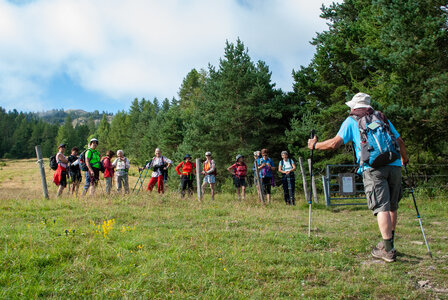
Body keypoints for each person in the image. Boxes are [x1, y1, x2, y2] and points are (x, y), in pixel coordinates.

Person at [307, 92, 409, 262]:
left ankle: (388, 250)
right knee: (392, 206)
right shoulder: (382, 117)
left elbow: (334, 143)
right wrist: (405, 159)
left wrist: (315, 145)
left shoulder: (352, 121)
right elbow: (400, 142)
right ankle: (388, 243)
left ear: (354, 106)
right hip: (395, 164)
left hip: (373, 167)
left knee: (381, 207)